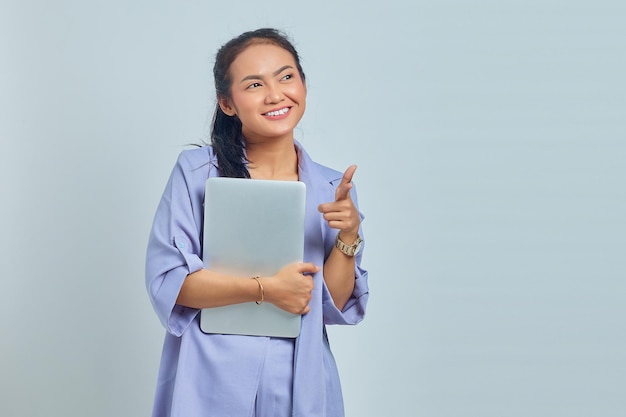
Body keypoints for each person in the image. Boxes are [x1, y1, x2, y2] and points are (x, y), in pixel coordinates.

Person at [145, 28, 369, 417]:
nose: (275, 94)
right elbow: (171, 283)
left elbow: (328, 305)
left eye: (286, 77)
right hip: (213, 370)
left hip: (302, 375)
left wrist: (348, 235)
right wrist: (266, 289)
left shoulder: (332, 187)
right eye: (254, 84)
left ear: (302, 84)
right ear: (227, 103)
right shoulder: (197, 173)